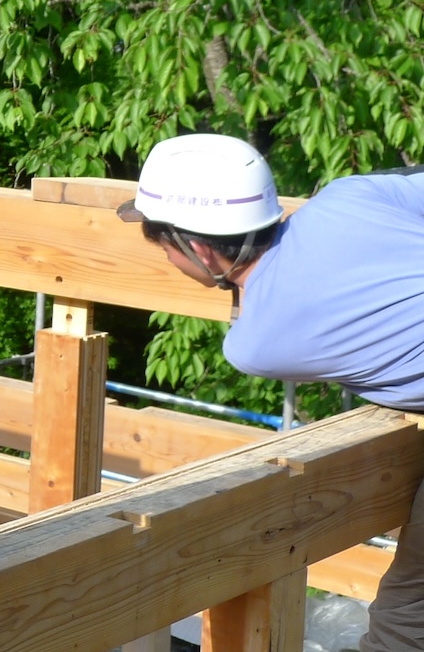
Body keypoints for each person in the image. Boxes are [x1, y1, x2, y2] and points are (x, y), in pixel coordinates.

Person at [117, 133, 424, 652]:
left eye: (164, 244)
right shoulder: (348, 196)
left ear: (198, 247)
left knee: (407, 620)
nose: (167, 260)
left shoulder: (256, 343)